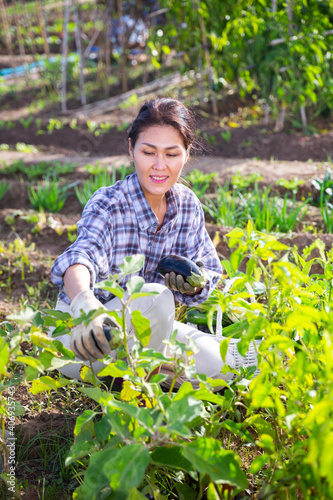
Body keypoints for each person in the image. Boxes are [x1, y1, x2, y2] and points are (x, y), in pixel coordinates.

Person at [49, 97, 237, 388]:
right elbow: (80, 258)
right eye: (149, 152)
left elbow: (211, 272)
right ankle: (142, 388)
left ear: (187, 154)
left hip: (148, 333)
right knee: (155, 297)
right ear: (131, 149)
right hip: (90, 336)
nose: (159, 166)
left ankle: (139, 373)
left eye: (172, 155)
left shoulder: (186, 206)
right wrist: (86, 307)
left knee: (225, 365)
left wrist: (195, 284)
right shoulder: (109, 203)